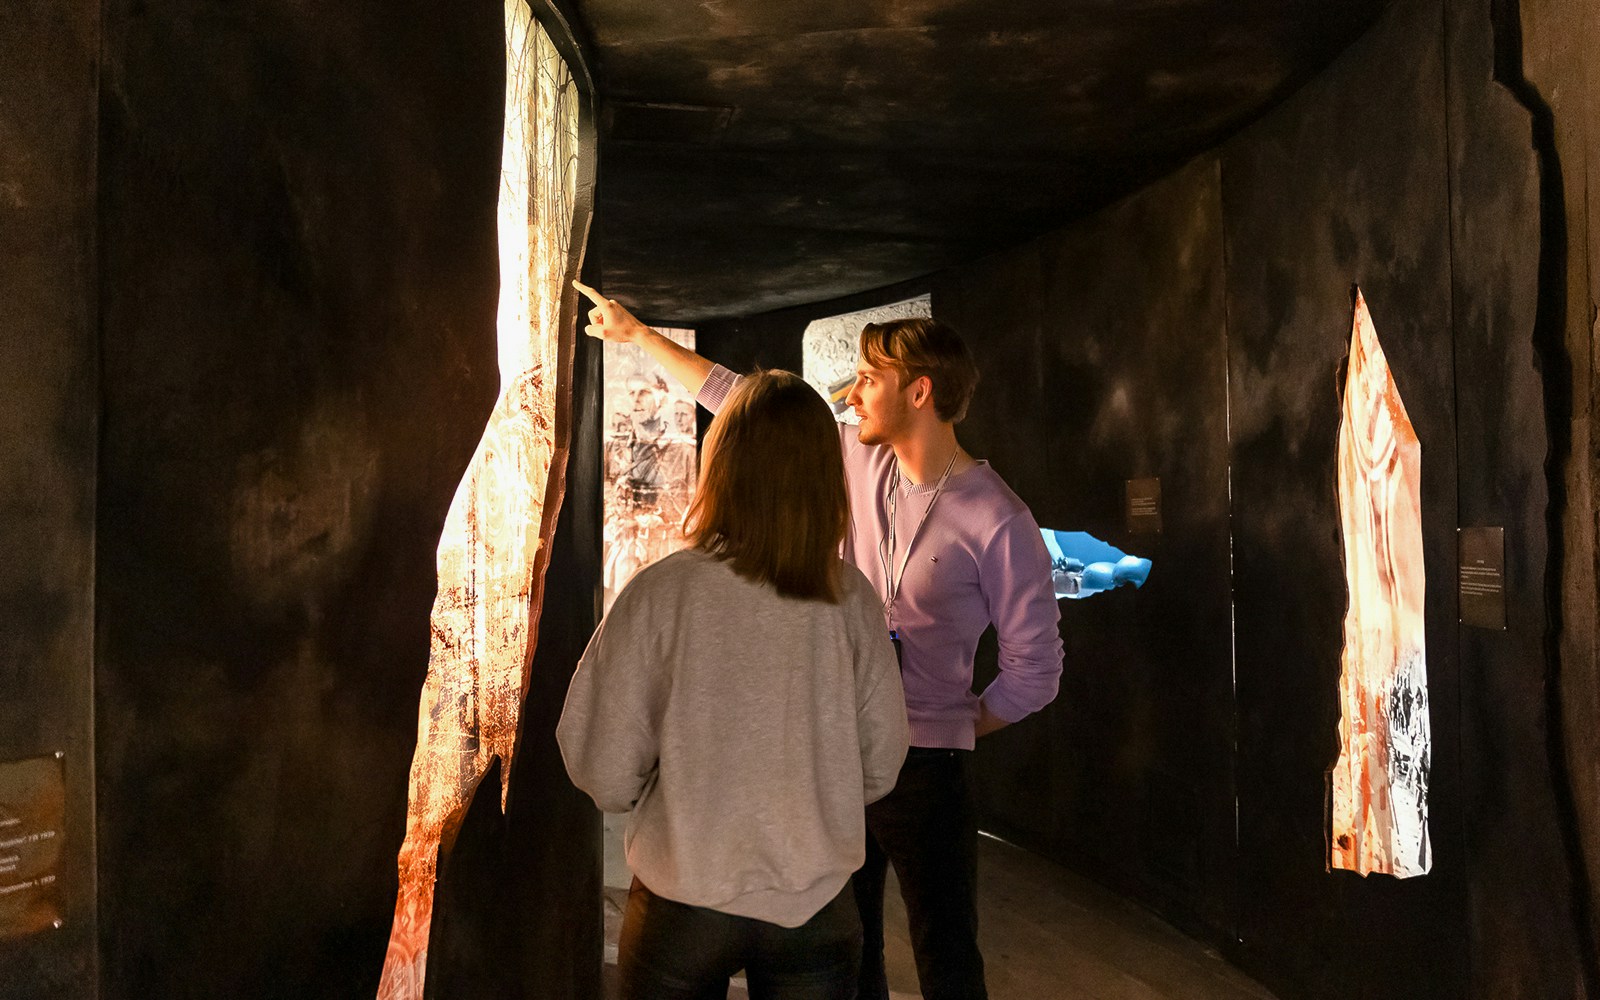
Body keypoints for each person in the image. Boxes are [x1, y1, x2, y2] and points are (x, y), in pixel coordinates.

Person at [574, 280, 1065, 1000]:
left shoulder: (999, 518)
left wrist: (955, 725)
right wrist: (640, 337)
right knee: (848, 941)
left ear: (920, 392)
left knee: (947, 950)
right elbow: (744, 402)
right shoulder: (858, 460)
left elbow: (1036, 668)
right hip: (845, 750)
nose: (853, 391)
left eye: (870, 378)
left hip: (928, 766)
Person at [557, 369, 911, 1000]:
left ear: (722, 464)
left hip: (680, 902)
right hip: (816, 904)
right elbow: (882, 761)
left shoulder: (662, 593)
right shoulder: (851, 600)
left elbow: (603, 767)